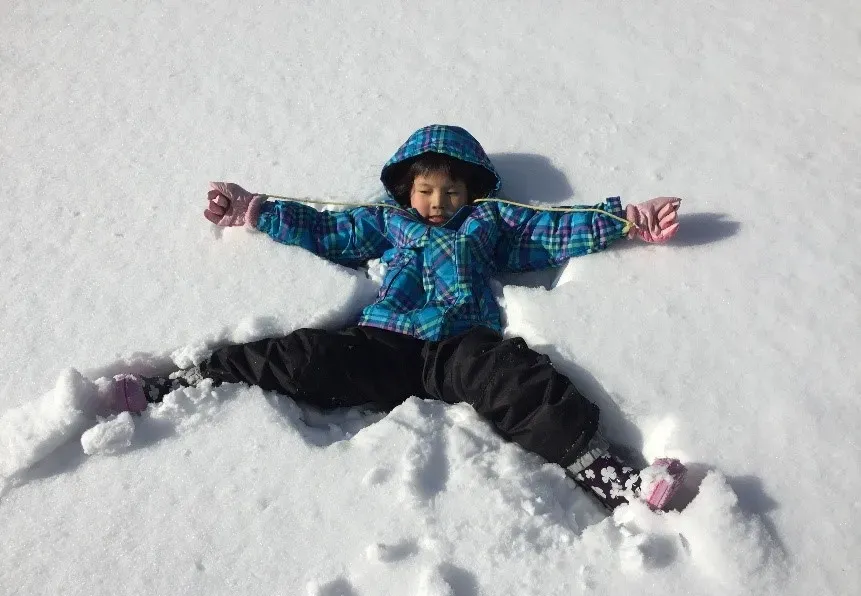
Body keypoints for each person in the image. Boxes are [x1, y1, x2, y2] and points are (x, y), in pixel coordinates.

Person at [100, 124, 686, 512]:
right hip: (385, 342)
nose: (438, 202)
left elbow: (551, 227)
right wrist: (255, 209)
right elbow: (329, 226)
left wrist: (626, 221)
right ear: (407, 190)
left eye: (452, 191)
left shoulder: (490, 227)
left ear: (471, 192)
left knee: (518, 379)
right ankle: (181, 382)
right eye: (427, 190)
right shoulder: (388, 222)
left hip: (462, 349)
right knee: (303, 356)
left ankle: (613, 478)